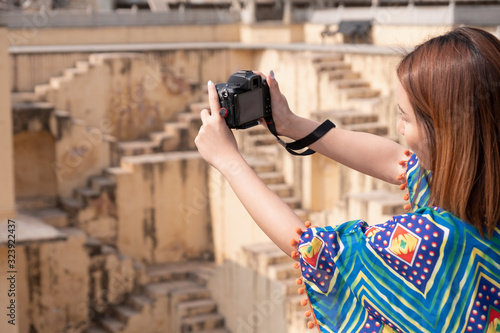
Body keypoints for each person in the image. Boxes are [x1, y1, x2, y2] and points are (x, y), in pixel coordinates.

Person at [195, 26, 500, 333]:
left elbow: (312, 249)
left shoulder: (433, 242)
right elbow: (397, 161)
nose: (399, 128)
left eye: (405, 117)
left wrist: (228, 162)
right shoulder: (485, 190)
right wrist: (291, 123)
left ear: (446, 130)